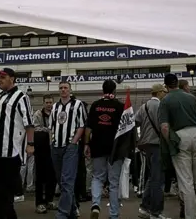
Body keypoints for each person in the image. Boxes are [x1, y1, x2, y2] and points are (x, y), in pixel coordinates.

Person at [0, 68, 34, 219]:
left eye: (3, 77)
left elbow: (29, 123)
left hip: (9, 153)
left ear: (12, 79)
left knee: (5, 195)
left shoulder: (21, 97)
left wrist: (30, 144)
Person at [159, 73, 196, 219]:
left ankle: (191, 216)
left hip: (180, 137)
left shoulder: (165, 100)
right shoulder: (191, 97)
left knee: (186, 181)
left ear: (166, 86)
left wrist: (170, 142)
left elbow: (164, 127)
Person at [84, 80, 125, 219]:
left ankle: (95, 204)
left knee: (97, 177)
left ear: (102, 90)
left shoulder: (95, 105)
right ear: (114, 91)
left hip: (98, 146)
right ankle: (113, 214)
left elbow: (88, 127)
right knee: (113, 182)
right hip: (115, 149)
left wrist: (86, 144)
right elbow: (125, 129)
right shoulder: (120, 106)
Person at [51, 81, 86, 219]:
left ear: (70, 90)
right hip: (55, 146)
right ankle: (72, 209)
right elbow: (51, 127)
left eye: (65, 88)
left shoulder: (78, 105)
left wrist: (73, 142)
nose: (63, 90)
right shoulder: (54, 107)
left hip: (70, 147)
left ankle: (62, 214)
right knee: (61, 180)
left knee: (67, 180)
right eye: (61, 88)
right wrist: (51, 141)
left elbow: (82, 125)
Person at [135, 84, 169, 219]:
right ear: (159, 93)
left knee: (152, 177)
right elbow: (164, 126)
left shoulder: (144, 106)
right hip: (157, 144)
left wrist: (138, 139)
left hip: (146, 145)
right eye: (164, 92)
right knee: (158, 179)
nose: (165, 94)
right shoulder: (161, 105)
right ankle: (156, 211)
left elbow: (135, 122)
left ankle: (145, 207)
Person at [33, 94, 56, 214]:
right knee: (40, 177)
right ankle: (39, 203)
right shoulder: (37, 114)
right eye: (47, 102)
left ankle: (49, 200)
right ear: (43, 103)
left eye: (50, 102)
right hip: (41, 150)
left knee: (52, 177)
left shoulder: (56, 113)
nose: (49, 104)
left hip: (53, 150)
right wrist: (48, 130)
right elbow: (35, 128)